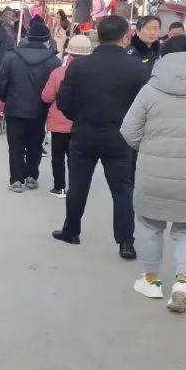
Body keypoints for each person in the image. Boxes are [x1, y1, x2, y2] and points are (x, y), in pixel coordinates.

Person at [120, 51, 186, 313]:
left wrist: (148, 148)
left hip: (152, 173)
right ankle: (181, 283)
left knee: (149, 225)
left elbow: (128, 131)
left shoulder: (149, 91)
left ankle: (151, 281)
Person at [53, 15, 150, 259]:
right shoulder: (137, 67)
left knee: (78, 184)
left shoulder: (80, 65)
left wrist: (80, 116)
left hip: (85, 131)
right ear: (125, 36)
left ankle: (71, 230)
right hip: (120, 135)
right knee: (122, 189)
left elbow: (64, 101)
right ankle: (126, 242)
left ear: (98, 35)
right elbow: (144, 106)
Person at [0, 17, 61, 192]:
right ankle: (32, 176)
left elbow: (1, 82)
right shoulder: (54, 61)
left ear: (28, 36)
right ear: (47, 39)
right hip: (40, 109)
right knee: (35, 143)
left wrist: (5, 98)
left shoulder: (11, 56)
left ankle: (16, 179)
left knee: (15, 144)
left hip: (15, 107)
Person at [41, 35, 91, 197]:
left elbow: (46, 97)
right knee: (76, 158)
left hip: (59, 121)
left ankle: (59, 187)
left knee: (58, 155)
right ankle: (75, 188)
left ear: (69, 53)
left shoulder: (58, 73)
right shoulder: (94, 74)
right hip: (83, 123)